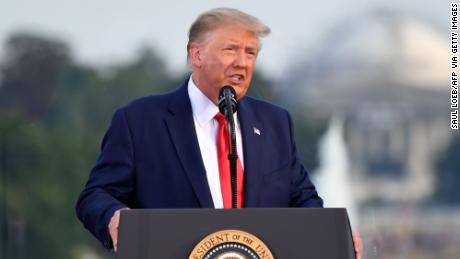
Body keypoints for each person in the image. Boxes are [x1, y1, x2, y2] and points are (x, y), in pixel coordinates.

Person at [76, 7, 362, 258]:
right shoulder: (140, 121)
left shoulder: (275, 123)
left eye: (251, 53)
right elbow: (95, 195)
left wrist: (332, 236)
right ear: (196, 54)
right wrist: (113, 217)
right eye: (231, 50)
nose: (242, 62)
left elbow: (303, 200)